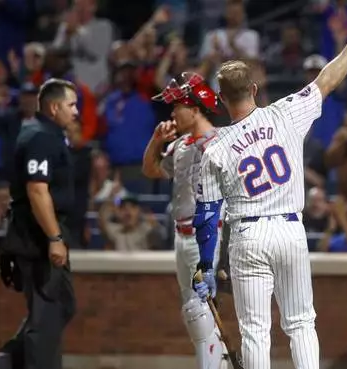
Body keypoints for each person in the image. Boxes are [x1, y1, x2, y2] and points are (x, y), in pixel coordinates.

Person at [190, 17, 347, 369]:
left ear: (220, 99)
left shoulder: (216, 147)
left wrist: (205, 265)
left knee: (255, 332)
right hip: (290, 228)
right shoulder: (285, 113)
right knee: (301, 322)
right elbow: (327, 80)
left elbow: (207, 215)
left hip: (247, 234)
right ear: (255, 89)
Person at [0, 78, 78, 369]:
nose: (76, 112)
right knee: (46, 317)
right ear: (54, 107)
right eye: (71, 105)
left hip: (38, 236)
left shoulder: (43, 132)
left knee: (61, 306)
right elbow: (37, 189)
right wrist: (53, 237)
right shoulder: (41, 136)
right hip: (36, 240)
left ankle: (2, 365)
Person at [141, 72, 227, 368]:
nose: (172, 114)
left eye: (178, 107)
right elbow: (152, 171)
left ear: (194, 108)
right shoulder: (180, 145)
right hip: (181, 235)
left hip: (207, 234)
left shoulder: (220, 142)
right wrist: (155, 141)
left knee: (200, 308)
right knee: (195, 312)